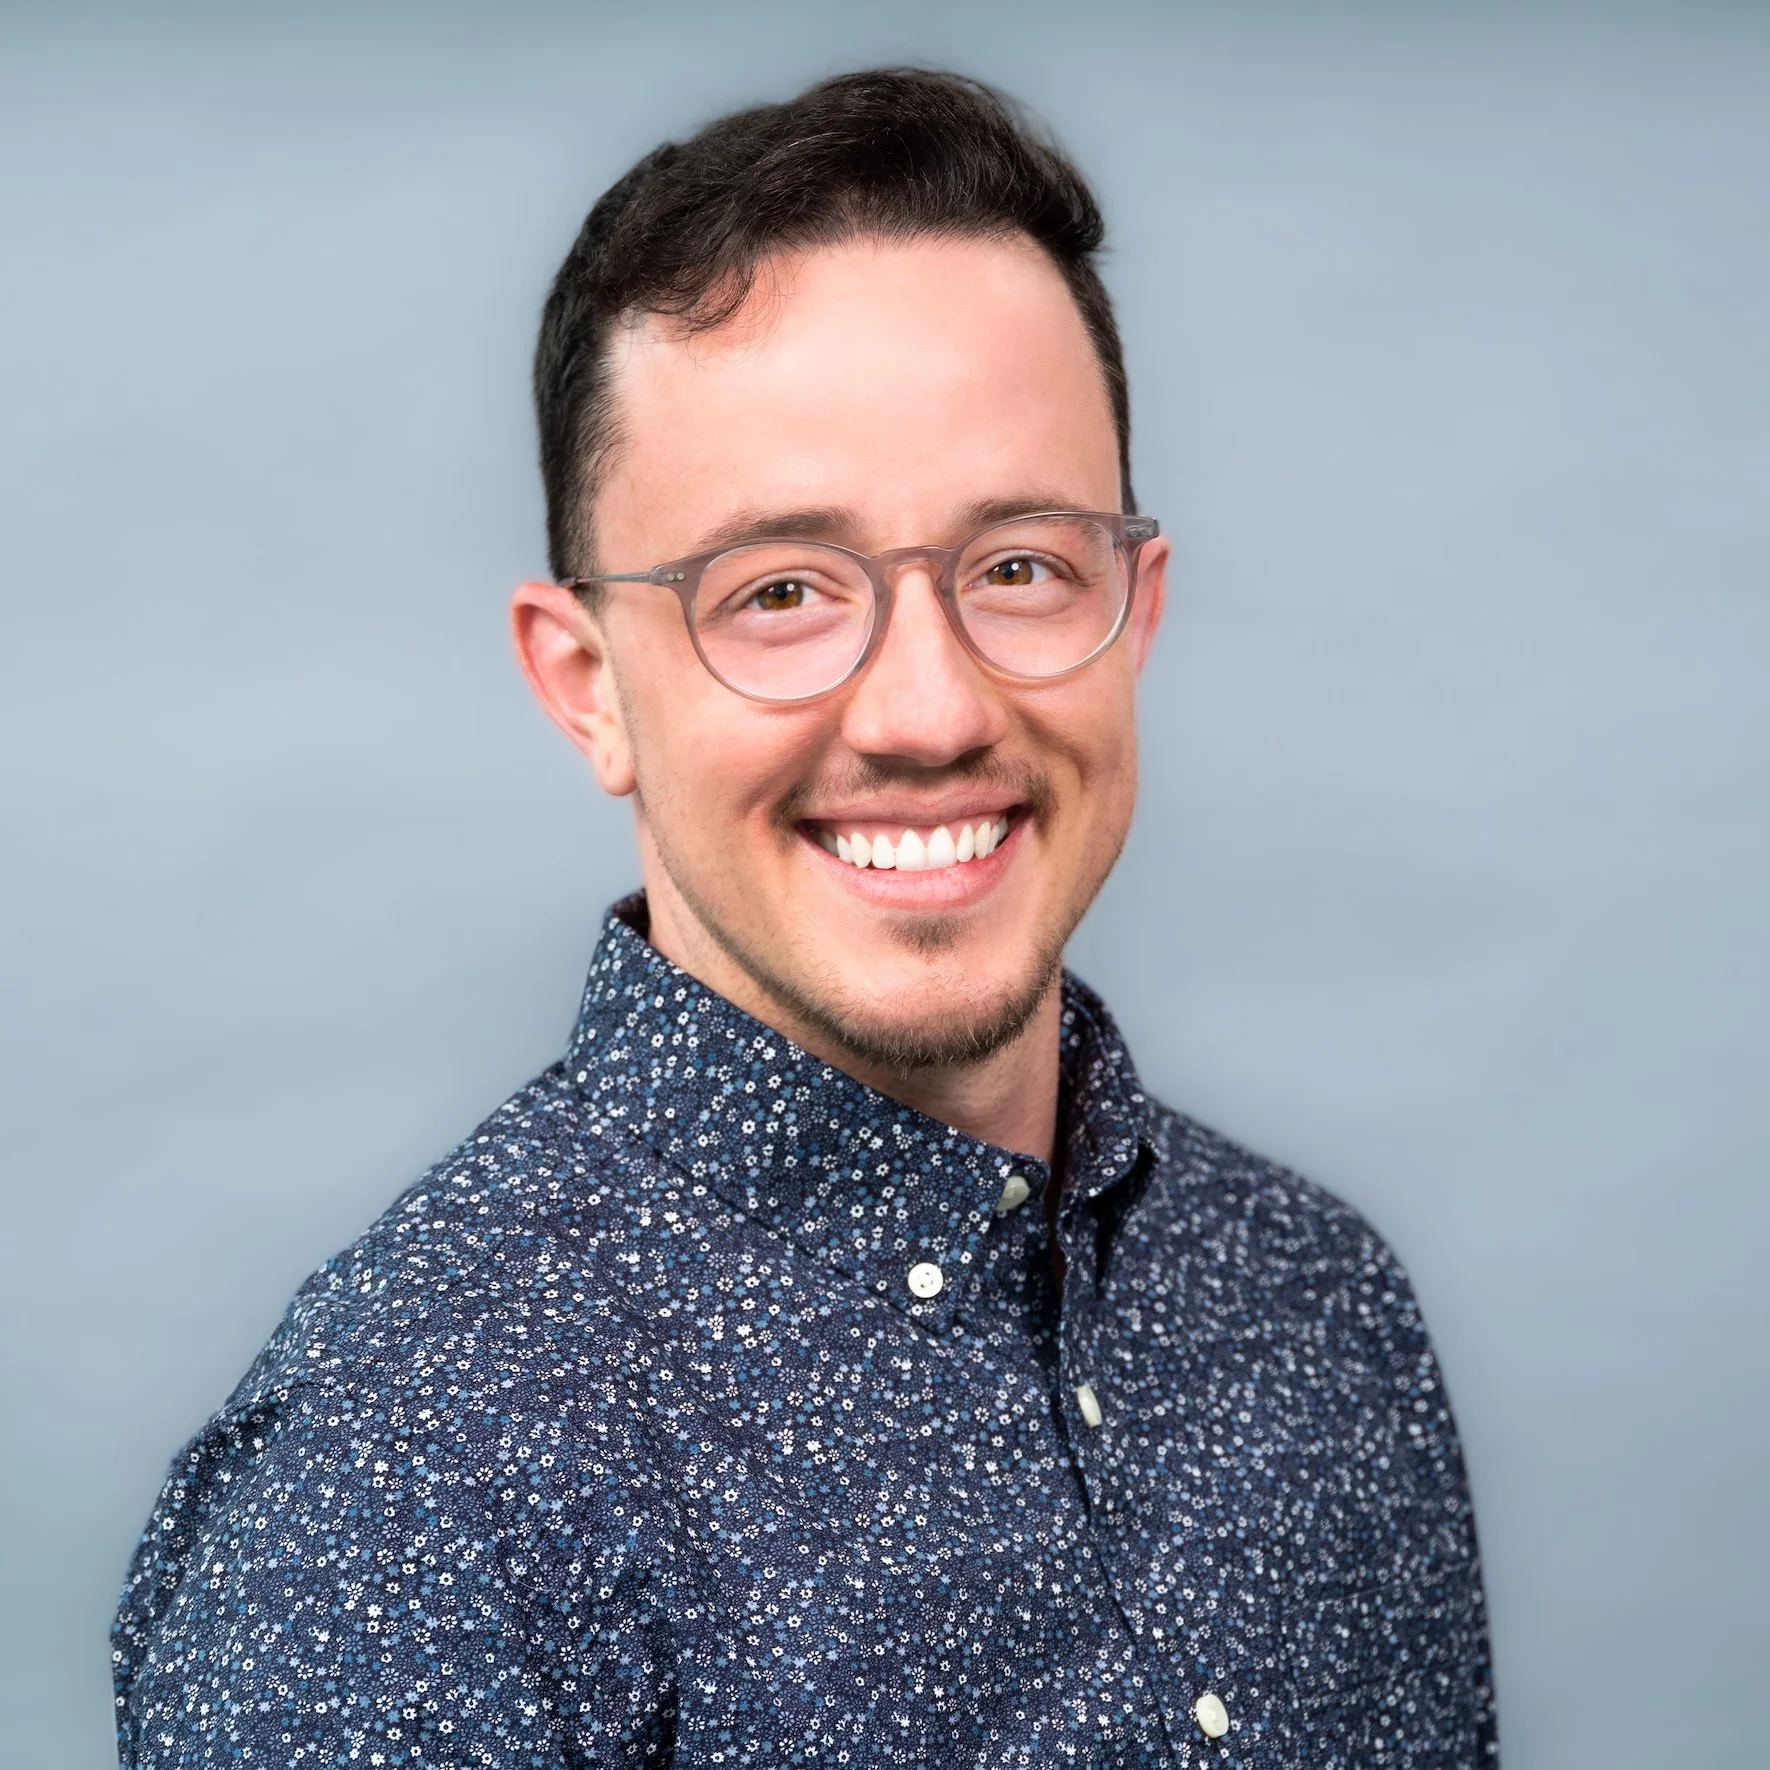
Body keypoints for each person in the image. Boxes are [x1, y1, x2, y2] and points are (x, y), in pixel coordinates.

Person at [113, 67, 1497, 1768]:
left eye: (1018, 564)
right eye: (777, 591)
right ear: (587, 686)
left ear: (1132, 613)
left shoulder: (1316, 1308)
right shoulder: (397, 1488)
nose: (926, 710)